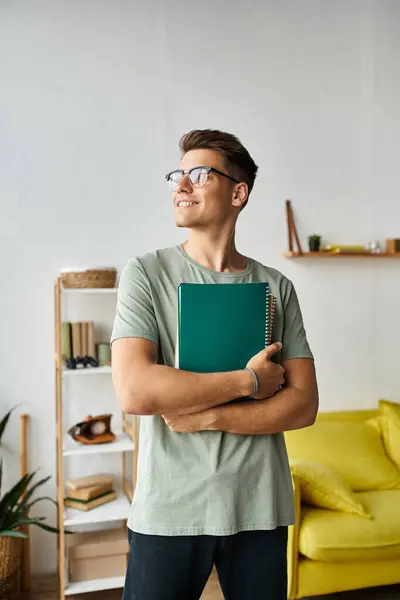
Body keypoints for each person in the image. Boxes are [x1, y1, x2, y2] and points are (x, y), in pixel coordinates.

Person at [110, 129, 319, 600]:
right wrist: (250, 381)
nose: (181, 186)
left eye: (199, 174)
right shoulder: (145, 273)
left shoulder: (277, 286)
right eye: (177, 176)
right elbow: (137, 391)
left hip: (259, 506)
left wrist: (207, 414)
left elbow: (303, 405)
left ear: (238, 193)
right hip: (169, 508)